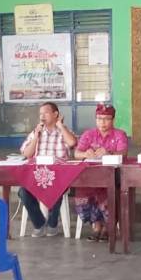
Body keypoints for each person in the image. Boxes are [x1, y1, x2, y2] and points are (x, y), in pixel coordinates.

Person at [18, 102, 77, 237]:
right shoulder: (36, 132)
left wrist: (60, 125)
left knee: (57, 187)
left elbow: (72, 143)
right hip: (38, 175)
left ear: (55, 114)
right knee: (23, 191)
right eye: (40, 114)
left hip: (59, 176)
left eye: (45, 113)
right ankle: (39, 223)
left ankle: (52, 223)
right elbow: (26, 153)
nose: (42, 116)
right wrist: (36, 137)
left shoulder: (64, 131)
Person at [73, 103, 128, 242]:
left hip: (112, 175)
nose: (102, 122)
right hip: (91, 176)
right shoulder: (88, 134)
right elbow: (76, 153)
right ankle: (96, 226)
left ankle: (108, 227)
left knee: (106, 189)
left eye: (106, 119)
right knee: (84, 189)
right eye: (99, 119)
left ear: (113, 120)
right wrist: (86, 153)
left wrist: (109, 153)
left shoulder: (119, 134)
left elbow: (123, 154)